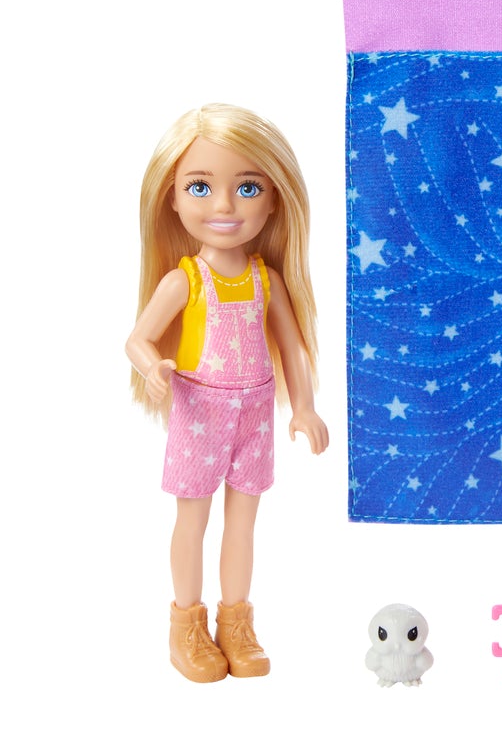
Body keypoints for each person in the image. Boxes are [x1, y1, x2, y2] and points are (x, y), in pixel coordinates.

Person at [126, 104, 328, 682]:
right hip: (200, 410)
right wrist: (153, 367)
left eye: (247, 188)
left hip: (256, 413)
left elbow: (292, 346)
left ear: (275, 199)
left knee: (243, 523)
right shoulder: (185, 280)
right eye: (200, 187)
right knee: (193, 520)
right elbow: (137, 338)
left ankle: (235, 623)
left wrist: (304, 406)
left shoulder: (266, 279)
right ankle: (185, 625)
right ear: (172, 197)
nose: (223, 206)